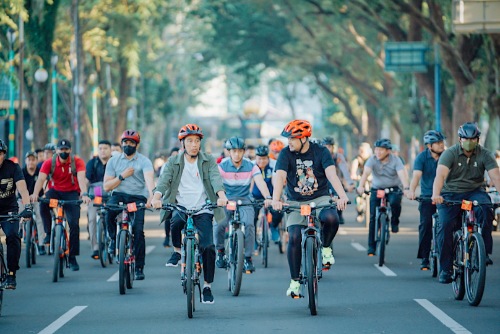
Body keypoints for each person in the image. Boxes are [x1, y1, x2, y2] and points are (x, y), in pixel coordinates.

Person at [271, 120, 349, 297]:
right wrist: (276, 199)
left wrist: (342, 196)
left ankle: (326, 248)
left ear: (305, 138)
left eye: (293, 138)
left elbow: (331, 174)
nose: (289, 142)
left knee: (331, 219)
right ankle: (295, 281)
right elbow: (279, 176)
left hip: (320, 197)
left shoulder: (321, 152)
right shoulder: (285, 154)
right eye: (288, 138)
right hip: (295, 202)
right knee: (295, 237)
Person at [152, 124, 228, 304]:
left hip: (203, 208)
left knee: (208, 247)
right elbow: (164, 181)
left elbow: (216, 179)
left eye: (196, 141)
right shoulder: (174, 162)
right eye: (189, 141)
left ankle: (207, 286)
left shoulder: (208, 159)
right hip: (181, 206)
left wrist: (221, 196)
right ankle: (178, 251)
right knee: (175, 223)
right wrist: (156, 197)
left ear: (200, 143)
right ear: (182, 144)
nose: (194, 144)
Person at [432, 122, 500, 283]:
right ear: (460, 139)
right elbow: (440, 176)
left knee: (486, 209)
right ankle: (446, 269)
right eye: (465, 138)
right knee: (445, 224)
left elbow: (496, 177)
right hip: (450, 193)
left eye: (473, 138)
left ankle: (483, 253)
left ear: (477, 139)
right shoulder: (450, 153)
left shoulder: (485, 154)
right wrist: (436, 194)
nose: (469, 141)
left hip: (475, 192)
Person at [214, 137, 273, 273]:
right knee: (219, 224)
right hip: (226, 200)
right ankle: (221, 251)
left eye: (240, 151)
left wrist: (268, 197)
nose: (237, 154)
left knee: (249, 224)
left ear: (244, 152)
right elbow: (216, 183)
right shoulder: (222, 166)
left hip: (245, 200)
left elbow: (260, 181)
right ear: (229, 152)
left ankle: (247, 258)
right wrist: (218, 198)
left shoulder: (251, 166)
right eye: (234, 151)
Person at [31, 139, 91, 271]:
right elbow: (41, 179)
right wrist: (35, 193)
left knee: (74, 224)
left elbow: (81, 178)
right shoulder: (49, 163)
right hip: (55, 193)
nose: (63, 152)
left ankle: (73, 257)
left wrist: (85, 194)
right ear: (56, 151)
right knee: (43, 204)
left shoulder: (77, 162)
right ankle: (47, 233)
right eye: (61, 150)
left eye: (66, 150)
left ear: (70, 150)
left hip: (72, 194)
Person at [103, 130, 155, 280]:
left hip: (137, 197)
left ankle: (139, 267)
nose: (128, 145)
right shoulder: (114, 161)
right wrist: (122, 176)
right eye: (125, 142)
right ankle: (113, 240)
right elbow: (107, 186)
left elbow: (149, 180)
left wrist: (152, 197)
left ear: (136, 145)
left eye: (131, 143)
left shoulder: (144, 161)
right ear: (121, 143)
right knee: (109, 213)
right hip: (118, 195)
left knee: (138, 231)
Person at [356, 138, 410, 256]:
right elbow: (365, 173)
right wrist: (360, 186)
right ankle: (371, 247)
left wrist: (406, 188)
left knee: (396, 202)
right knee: (373, 217)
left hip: (393, 188)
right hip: (377, 189)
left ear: (388, 151)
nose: (378, 152)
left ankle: (394, 221)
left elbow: (402, 175)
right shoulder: (372, 159)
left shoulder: (396, 160)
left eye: (381, 150)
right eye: (376, 149)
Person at [406, 130, 446, 270]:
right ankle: (424, 257)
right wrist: (411, 190)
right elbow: (416, 176)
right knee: (425, 225)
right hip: (427, 196)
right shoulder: (421, 157)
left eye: (442, 142)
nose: (441, 145)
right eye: (437, 143)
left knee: (450, 225)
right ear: (429, 146)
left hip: (446, 196)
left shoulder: (448, 156)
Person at [0, 140, 33, 289]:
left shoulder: (12, 167)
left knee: (13, 236)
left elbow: (23, 189)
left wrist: (27, 207)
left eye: (0, 154)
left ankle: (11, 273)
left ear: (4, 154)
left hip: (9, 210)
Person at [85, 140, 112, 260]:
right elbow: (87, 180)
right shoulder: (92, 163)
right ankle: (95, 247)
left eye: (105, 148)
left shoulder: (115, 162)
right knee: (92, 218)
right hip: (96, 192)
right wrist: (84, 194)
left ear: (110, 150)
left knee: (116, 215)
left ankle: (115, 241)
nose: (102, 151)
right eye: (100, 148)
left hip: (112, 192)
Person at [251, 145, 283, 242]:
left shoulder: (274, 164)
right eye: (259, 159)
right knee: (252, 216)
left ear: (268, 157)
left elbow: (275, 180)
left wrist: (275, 198)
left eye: (264, 158)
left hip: (271, 195)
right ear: (256, 158)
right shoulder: (251, 165)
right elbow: (250, 184)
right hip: (255, 195)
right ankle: (254, 239)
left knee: (278, 212)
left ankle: (273, 227)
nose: (262, 161)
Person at [322, 136, 355, 224]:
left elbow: (345, 170)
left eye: (329, 146)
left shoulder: (338, 157)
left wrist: (350, 183)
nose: (327, 149)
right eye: (325, 146)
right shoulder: (320, 156)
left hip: (336, 181)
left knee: (339, 194)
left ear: (333, 147)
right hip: (323, 182)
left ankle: (339, 213)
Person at [20, 151, 46, 255]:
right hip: (23, 199)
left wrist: (42, 196)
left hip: (37, 199)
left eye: (33, 160)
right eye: (29, 160)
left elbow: (45, 185)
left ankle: (41, 244)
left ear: (36, 161)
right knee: (19, 213)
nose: (31, 162)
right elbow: (18, 188)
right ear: (26, 161)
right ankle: (22, 234)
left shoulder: (40, 172)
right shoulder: (21, 172)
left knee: (40, 217)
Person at [350, 142, 373, 223]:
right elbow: (353, 169)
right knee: (358, 197)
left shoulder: (372, 158)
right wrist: (353, 175)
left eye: (363, 150)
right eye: (360, 150)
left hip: (371, 179)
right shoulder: (357, 159)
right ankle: (360, 212)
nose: (361, 152)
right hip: (360, 179)